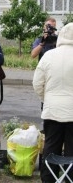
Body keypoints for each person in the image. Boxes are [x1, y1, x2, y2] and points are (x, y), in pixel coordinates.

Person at [33, 22, 73, 183]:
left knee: (51, 148)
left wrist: (46, 99)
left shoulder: (49, 55)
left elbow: (37, 84)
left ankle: (49, 179)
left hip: (52, 110)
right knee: (72, 151)